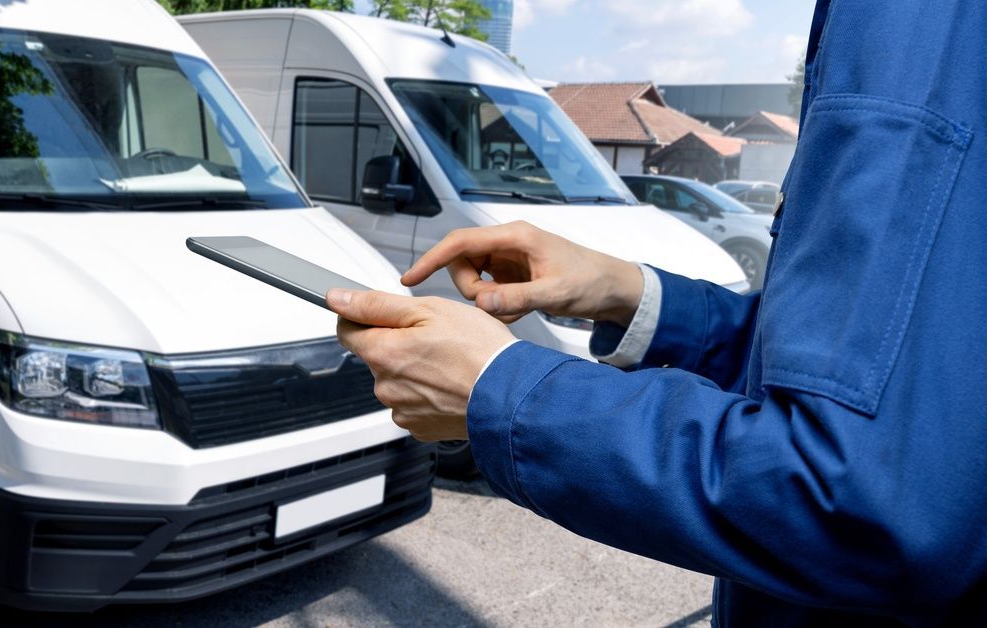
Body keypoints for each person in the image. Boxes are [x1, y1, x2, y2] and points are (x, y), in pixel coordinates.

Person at [325, 0, 987, 624]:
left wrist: (499, 390)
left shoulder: (918, 24)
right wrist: (631, 294)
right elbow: (895, 370)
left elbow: (862, 499)